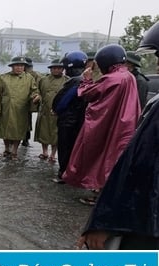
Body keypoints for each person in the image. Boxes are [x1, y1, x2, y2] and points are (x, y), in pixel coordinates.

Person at [76, 20, 159, 249]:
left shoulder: (112, 79)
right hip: (126, 131)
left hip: (145, 227)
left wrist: (104, 221)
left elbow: (140, 169)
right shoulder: (129, 78)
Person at [61, 44, 141, 205]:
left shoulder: (112, 79)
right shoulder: (128, 76)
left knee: (102, 157)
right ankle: (107, 194)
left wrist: (87, 80)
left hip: (111, 124)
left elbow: (88, 94)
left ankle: (100, 193)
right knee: (114, 158)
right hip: (125, 125)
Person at [0, 56, 40, 161]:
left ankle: (14, 151)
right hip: (6, 108)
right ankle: (6, 149)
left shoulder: (29, 78)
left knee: (19, 130)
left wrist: (36, 96)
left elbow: (34, 91)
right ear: (12, 66)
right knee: (5, 130)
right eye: (17, 65)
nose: (19, 68)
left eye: (22, 66)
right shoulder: (3, 78)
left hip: (21, 109)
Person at [51, 51, 88, 184]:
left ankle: (63, 173)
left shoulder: (75, 81)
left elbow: (63, 101)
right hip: (78, 120)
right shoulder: (85, 80)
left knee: (65, 147)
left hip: (68, 121)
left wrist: (56, 110)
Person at [34, 59, 68, 163]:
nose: (56, 70)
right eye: (54, 68)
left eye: (59, 68)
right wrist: (37, 96)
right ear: (50, 69)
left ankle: (53, 154)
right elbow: (37, 90)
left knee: (55, 134)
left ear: (62, 69)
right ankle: (44, 152)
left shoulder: (67, 80)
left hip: (58, 112)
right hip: (45, 110)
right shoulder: (43, 80)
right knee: (44, 132)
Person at [22, 57, 42, 147]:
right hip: (18, 100)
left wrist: (37, 96)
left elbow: (40, 87)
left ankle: (25, 139)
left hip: (30, 100)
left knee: (27, 120)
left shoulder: (36, 75)